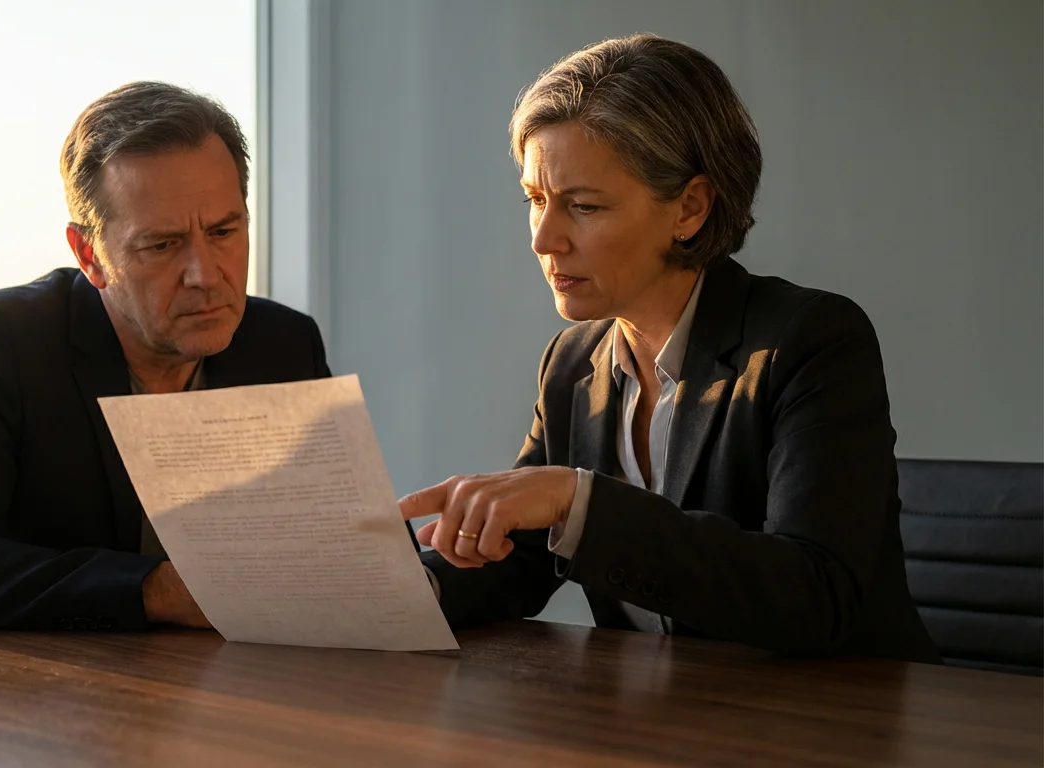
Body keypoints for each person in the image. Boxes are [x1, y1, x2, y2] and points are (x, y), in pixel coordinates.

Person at [401, 35, 940, 662]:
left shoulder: (812, 340)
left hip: (838, 725)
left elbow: (813, 593)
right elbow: (521, 557)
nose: (544, 239)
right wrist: (413, 584)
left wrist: (582, 501)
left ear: (689, 207)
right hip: (671, 720)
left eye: (582, 205)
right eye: (536, 200)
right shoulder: (571, 363)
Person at [0, 82, 331, 631]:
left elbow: (350, 560)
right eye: (162, 245)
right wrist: (154, 589)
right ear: (89, 254)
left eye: (223, 231)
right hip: (55, 702)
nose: (205, 274)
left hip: (250, 692)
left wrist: (456, 542)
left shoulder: (283, 345)